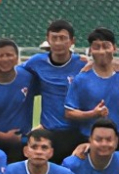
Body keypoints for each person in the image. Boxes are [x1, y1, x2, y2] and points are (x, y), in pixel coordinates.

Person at [18, 20, 87, 158]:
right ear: (47, 40)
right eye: (54, 38)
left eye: (63, 38)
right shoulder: (37, 62)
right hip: (50, 131)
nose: (58, 43)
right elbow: (11, 73)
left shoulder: (82, 64)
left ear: (72, 41)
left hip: (77, 132)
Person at [64, 28, 119, 147]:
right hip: (89, 137)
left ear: (114, 48)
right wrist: (92, 114)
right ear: (91, 50)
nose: (102, 52)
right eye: (96, 47)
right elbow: (69, 113)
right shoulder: (81, 79)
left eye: (106, 46)